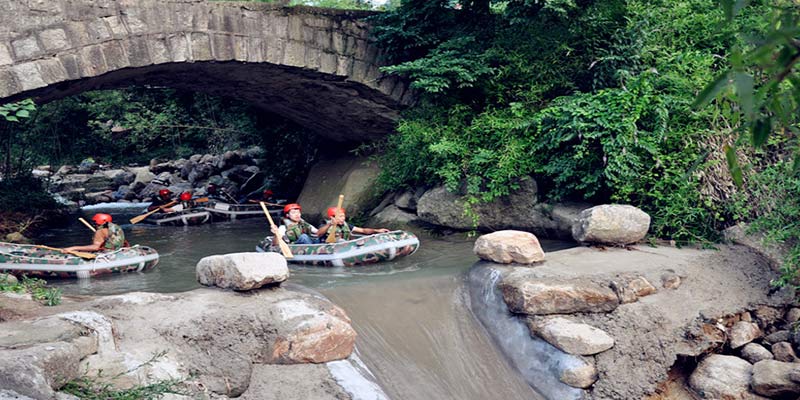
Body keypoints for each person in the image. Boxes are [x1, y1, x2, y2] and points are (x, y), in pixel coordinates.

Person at [316, 207, 390, 242]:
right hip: (330, 248)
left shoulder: (345, 225)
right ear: (332, 217)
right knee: (341, 241)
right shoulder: (325, 224)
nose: (343, 218)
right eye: (340, 216)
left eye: (343, 216)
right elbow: (318, 234)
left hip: (344, 246)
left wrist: (377, 230)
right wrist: (330, 224)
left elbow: (363, 230)